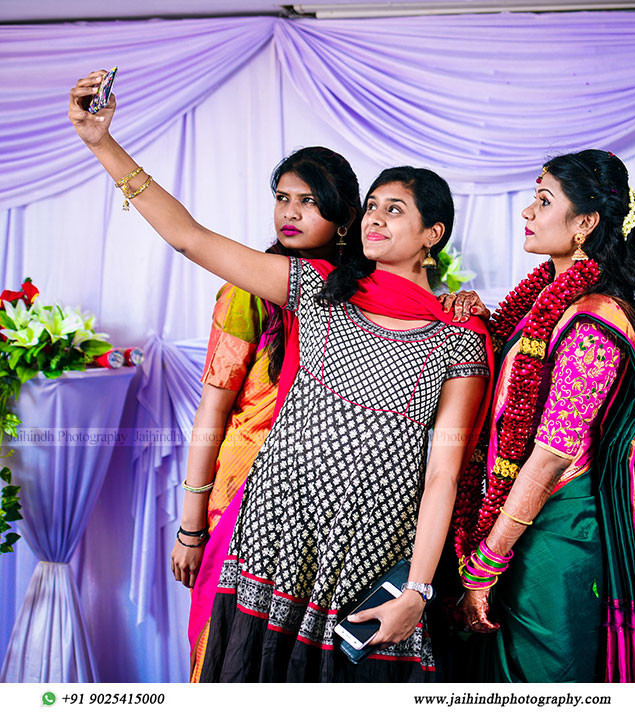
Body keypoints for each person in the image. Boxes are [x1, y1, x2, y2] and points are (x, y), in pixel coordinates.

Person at [68, 70, 490, 682]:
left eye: (394, 210)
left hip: (369, 564)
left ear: (433, 234)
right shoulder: (317, 290)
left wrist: (418, 592)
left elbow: (443, 474)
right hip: (272, 548)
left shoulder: (460, 337)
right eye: (370, 206)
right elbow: (189, 238)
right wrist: (102, 143)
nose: (374, 218)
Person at [443, 149, 635, 682]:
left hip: (552, 536)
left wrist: (486, 563)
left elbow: (552, 455)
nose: (527, 213)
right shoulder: (549, 301)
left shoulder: (594, 324)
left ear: (585, 224)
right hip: (518, 527)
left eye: (543, 200)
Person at [167, 146, 362, 682]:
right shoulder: (251, 289)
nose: (290, 213)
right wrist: (190, 525)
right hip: (241, 491)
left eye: (309, 201)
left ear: (345, 217)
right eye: (282, 198)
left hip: (326, 505)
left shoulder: (362, 295)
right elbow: (213, 407)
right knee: (227, 650)